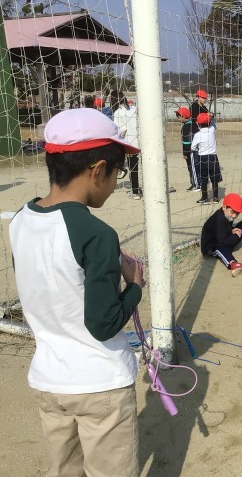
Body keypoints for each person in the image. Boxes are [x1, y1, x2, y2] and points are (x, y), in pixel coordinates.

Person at [9, 108, 144, 476]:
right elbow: (103, 323)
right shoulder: (97, 235)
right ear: (98, 170)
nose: (115, 183)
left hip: (48, 381)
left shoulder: (21, 219)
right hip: (99, 385)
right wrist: (135, 286)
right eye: (117, 173)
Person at [201, 193, 242, 277]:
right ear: (224, 207)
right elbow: (222, 241)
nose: (234, 215)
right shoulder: (219, 219)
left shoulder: (227, 215)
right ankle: (233, 264)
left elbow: (224, 230)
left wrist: (232, 230)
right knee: (220, 248)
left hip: (226, 237)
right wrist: (236, 236)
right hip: (213, 245)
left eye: (237, 213)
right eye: (232, 212)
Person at [112, 91, 142, 199]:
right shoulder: (133, 109)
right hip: (139, 141)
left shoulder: (118, 112)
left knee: (132, 167)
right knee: (138, 167)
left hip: (129, 143)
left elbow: (122, 129)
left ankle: (135, 192)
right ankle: (138, 188)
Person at [191, 113, 222, 205]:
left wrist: (199, 149)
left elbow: (193, 147)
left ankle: (204, 197)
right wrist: (211, 117)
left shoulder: (197, 135)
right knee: (214, 178)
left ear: (198, 124)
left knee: (203, 178)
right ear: (209, 123)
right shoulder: (212, 130)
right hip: (213, 157)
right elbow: (213, 125)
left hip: (202, 158)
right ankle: (215, 198)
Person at [175, 107, 199, 192]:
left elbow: (186, 142)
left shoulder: (186, 127)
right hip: (197, 150)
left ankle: (196, 184)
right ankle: (195, 183)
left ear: (183, 116)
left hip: (191, 151)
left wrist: (185, 153)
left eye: (178, 116)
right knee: (195, 167)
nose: (177, 118)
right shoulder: (193, 124)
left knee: (192, 167)